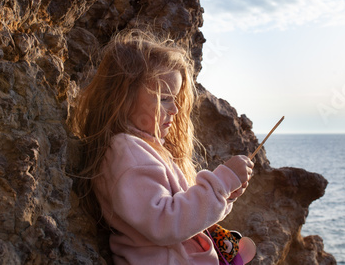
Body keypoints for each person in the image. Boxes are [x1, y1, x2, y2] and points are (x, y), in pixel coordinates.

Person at [72, 29, 254, 264]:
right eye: (164, 98)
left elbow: (181, 215)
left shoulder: (143, 148)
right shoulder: (127, 152)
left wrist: (224, 195)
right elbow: (165, 223)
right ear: (124, 97)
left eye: (175, 99)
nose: (175, 110)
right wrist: (220, 184)